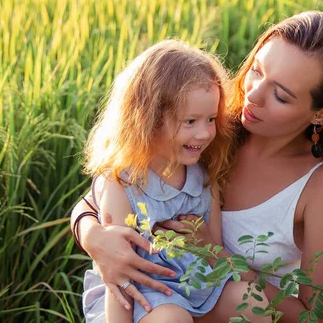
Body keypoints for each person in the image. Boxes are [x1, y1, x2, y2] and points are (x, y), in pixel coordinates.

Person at [72, 11, 323, 322]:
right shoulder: (210, 129)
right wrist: (93, 236)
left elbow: (317, 317)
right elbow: (109, 187)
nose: (253, 96)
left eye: (280, 95)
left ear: (322, 115)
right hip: (151, 303)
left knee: (249, 306)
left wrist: (219, 257)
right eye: (257, 71)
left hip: (229, 306)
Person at [79, 40, 270, 323]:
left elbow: (214, 250)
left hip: (197, 288)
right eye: (190, 121)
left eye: (210, 119)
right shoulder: (122, 183)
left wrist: (209, 250)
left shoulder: (204, 175)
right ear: (149, 119)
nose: (205, 133)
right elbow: (119, 278)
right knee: (171, 318)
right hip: (141, 297)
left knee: (251, 302)